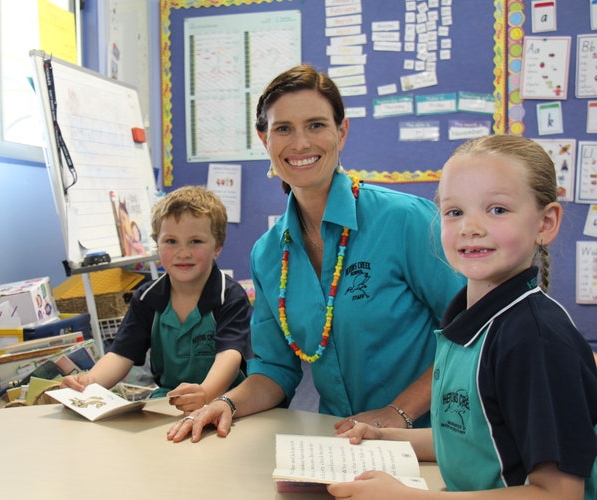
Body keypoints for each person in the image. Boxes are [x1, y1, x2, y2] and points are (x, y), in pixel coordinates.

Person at [167, 64, 465, 443]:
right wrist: (226, 403)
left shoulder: (406, 221)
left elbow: (469, 330)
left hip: (431, 441)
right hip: (339, 443)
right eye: (283, 129)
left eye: (316, 125)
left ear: (342, 132)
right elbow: (275, 369)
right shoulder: (268, 253)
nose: (301, 143)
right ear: (264, 139)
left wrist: (398, 412)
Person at [329, 135, 597, 499]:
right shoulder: (467, 321)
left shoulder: (535, 341)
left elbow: (559, 493)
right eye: (455, 212)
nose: (470, 227)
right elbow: (477, 441)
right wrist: (389, 438)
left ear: (545, 223)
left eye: (497, 209)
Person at [60, 185, 253, 415]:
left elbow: (229, 356)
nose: (183, 252)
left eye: (196, 241)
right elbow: (121, 354)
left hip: (224, 398)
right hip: (170, 400)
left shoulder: (229, 297)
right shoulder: (146, 298)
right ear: (157, 245)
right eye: (171, 241)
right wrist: (89, 381)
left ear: (217, 248)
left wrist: (206, 392)